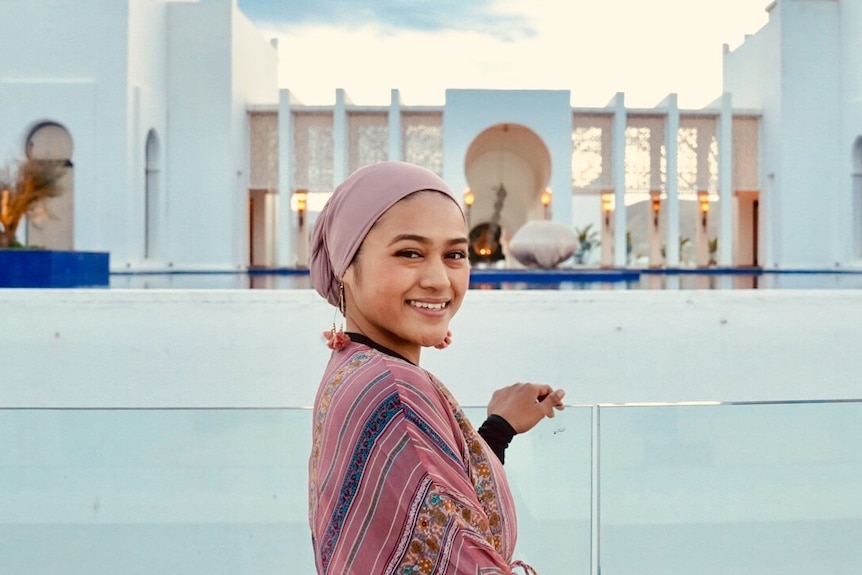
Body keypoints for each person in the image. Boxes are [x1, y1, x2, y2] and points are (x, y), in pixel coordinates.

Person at [308, 161, 566, 575]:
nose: (438, 280)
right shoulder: (393, 391)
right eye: (409, 253)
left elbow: (431, 504)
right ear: (345, 266)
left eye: (454, 255)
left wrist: (496, 431)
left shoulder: (354, 365)